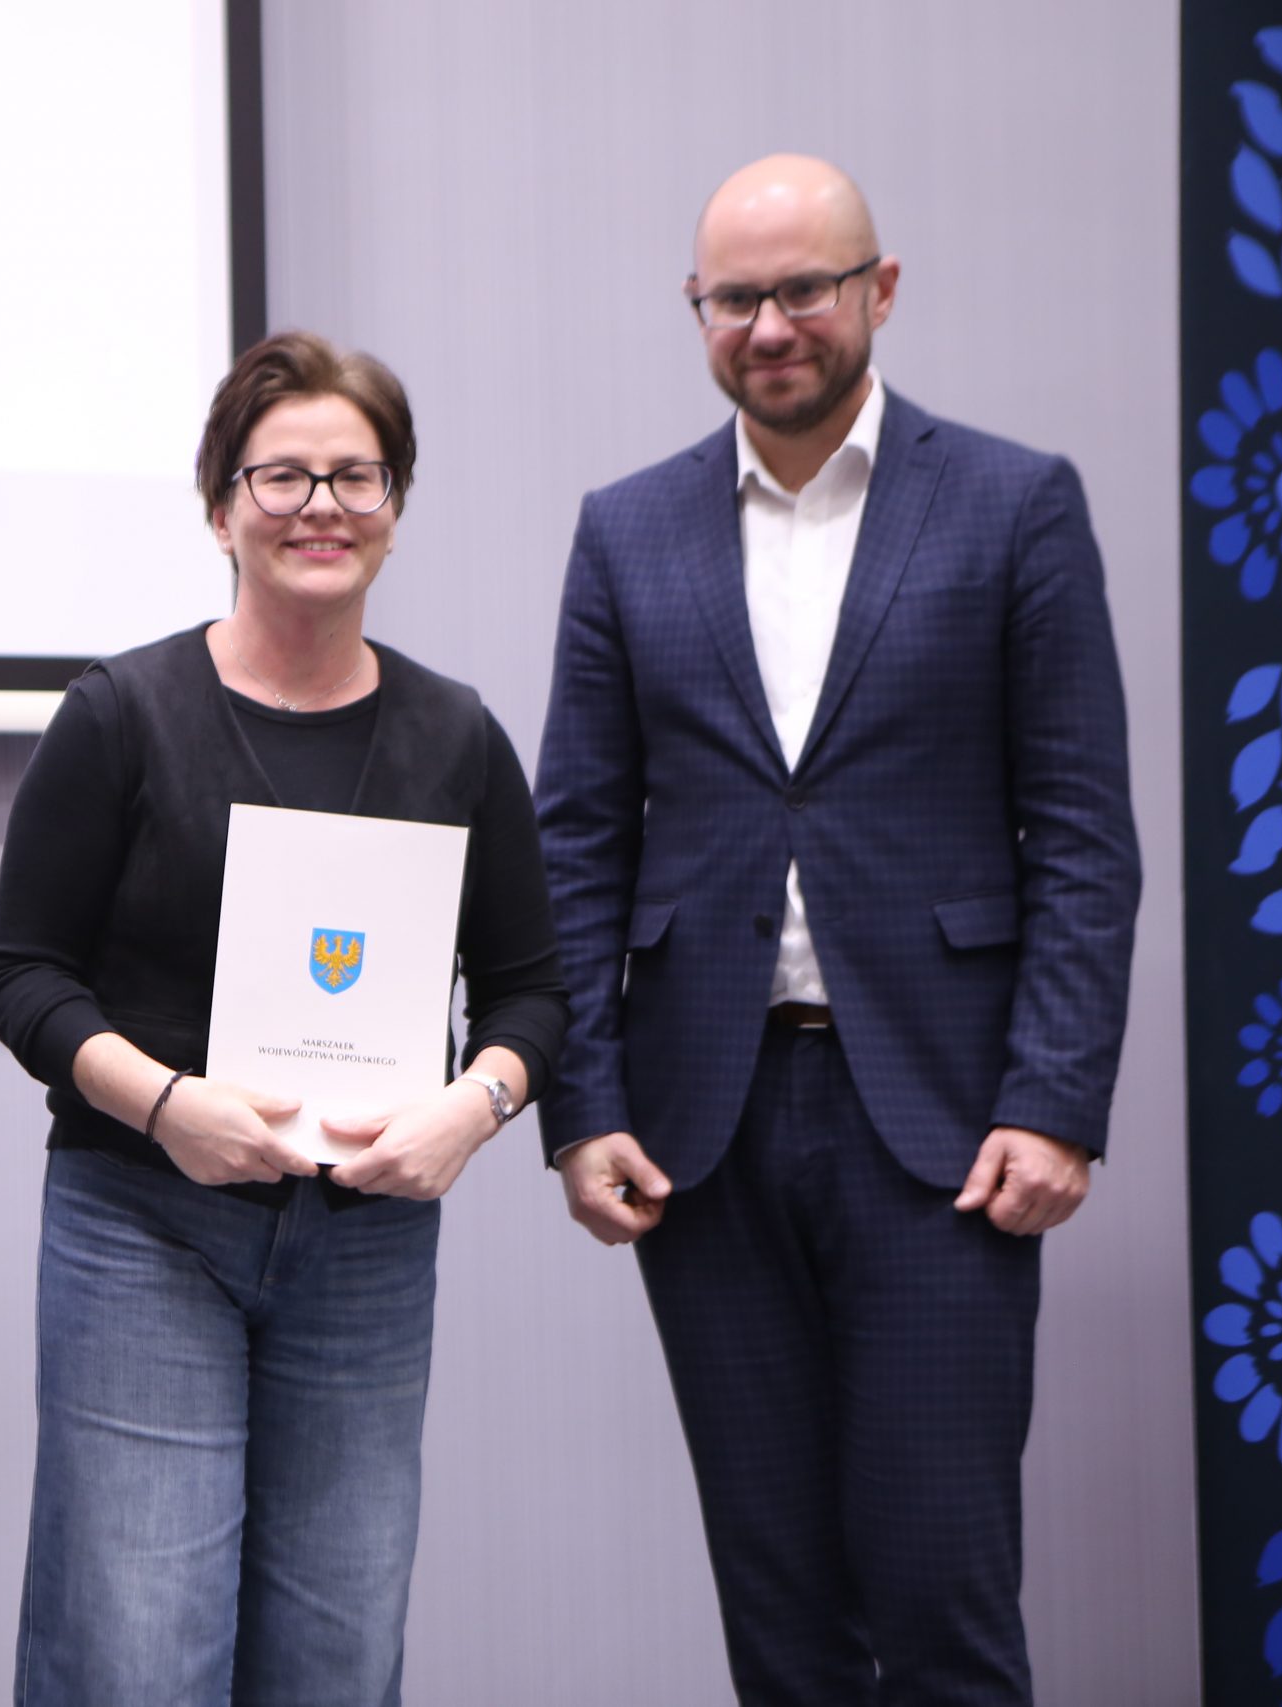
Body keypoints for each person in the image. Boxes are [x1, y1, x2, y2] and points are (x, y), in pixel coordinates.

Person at [534, 154, 1139, 1704]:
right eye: (734, 298)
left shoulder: (1013, 504)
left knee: (942, 1600)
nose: (771, 326)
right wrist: (582, 1112)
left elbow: (1082, 834)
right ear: (697, 311)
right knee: (781, 1616)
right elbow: (577, 846)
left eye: (804, 288)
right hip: (704, 1133)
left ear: (881, 290)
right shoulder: (626, 529)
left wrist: (1055, 1101)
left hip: (944, 1131)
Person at [0, 330, 568, 1705]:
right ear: (219, 506)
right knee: (139, 1654)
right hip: (144, 1222)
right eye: (282, 475)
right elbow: (24, 975)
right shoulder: (122, 714)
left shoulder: (457, 736)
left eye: (357, 476)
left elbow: (533, 991)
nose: (322, 507)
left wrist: (473, 1109)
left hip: (368, 1243)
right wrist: (166, 1105)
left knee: (338, 1658)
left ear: (396, 507)